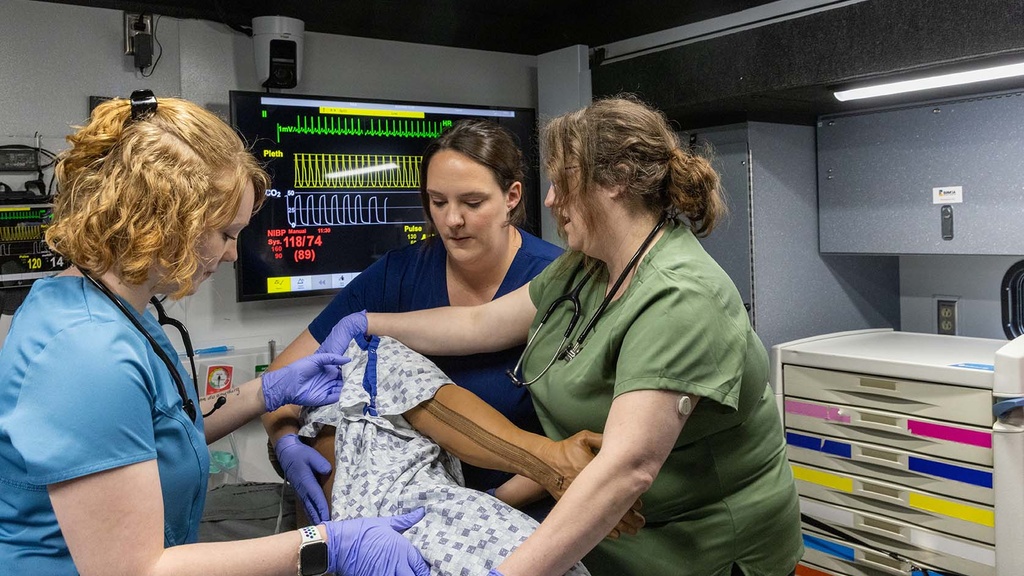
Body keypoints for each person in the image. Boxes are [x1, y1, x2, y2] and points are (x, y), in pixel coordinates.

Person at [364, 95, 804, 576]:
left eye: (562, 182)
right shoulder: (586, 266)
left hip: (701, 553)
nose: (550, 199)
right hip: (610, 547)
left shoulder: (682, 297)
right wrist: (366, 324)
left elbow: (627, 469)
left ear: (615, 181)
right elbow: (480, 324)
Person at [0, 91, 428, 576]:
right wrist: (325, 543)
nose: (232, 255)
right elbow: (137, 570)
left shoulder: (107, 306)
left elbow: (156, 432)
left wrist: (262, 393)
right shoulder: (85, 353)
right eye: (225, 233)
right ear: (161, 220)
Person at [262, 118, 563, 523]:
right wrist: (285, 442)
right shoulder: (398, 274)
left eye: (472, 203)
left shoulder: (555, 280)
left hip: (519, 505)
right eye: (438, 202)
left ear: (512, 196)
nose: (452, 220)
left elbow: (573, 439)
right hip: (403, 511)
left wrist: (487, 502)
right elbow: (282, 382)